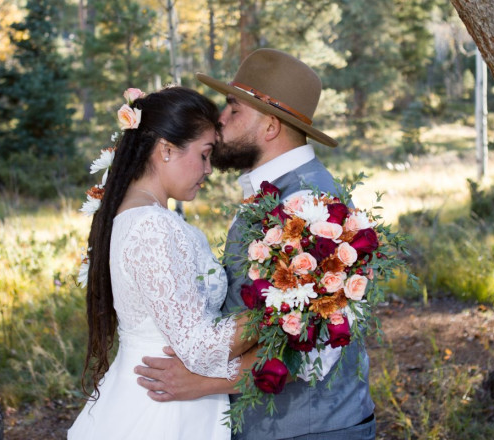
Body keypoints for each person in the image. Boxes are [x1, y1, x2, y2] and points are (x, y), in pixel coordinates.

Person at [135, 49, 376, 439]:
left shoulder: (312, 205)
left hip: (311, 430)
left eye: (233, 108)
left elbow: (317, 347)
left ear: (270, 127)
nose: (220, 119)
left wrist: (204, 382)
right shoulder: (274, 192)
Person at [68, 86, 256, 440]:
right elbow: (199, 349)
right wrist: (275, 308)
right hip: (162, 411)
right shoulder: (152, 225)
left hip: (163, 397)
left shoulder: (135, 214)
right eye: (204, 154)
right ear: (166, 149)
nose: (209, 169)